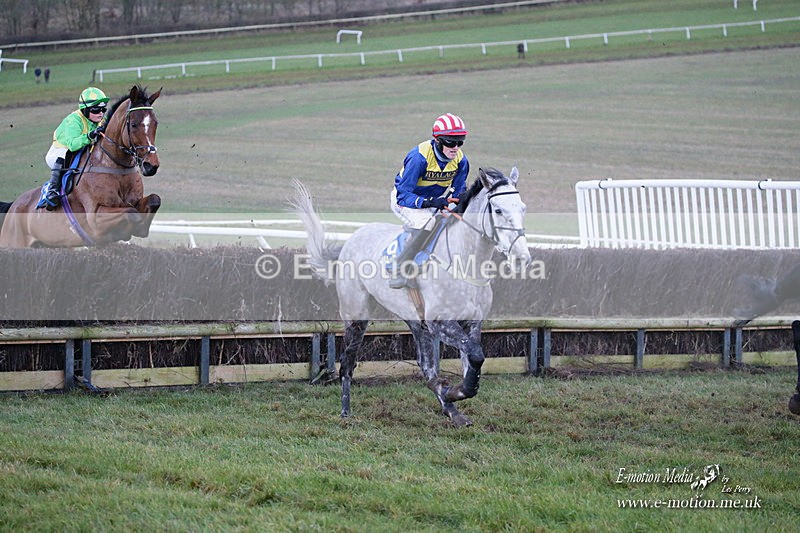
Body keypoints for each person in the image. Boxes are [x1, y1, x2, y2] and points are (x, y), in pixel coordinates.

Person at [388, 113, 470, 288]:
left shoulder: (462, 161)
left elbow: (458, 191)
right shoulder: (419, 158)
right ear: (438, 140)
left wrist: (456, 204)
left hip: (434, 202)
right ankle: (401, 268)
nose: (455, 147)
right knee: (427, 222)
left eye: (460, 141)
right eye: (450, 142)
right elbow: (403, 195)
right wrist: (431, 202)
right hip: (405, 201)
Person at [41, 87, 109, 210]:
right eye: (96, 109)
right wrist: (90, 135)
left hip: (80, 151)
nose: (101, 113)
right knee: (63, 156)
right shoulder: (73, 120)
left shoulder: (100, 120)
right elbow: (72, 145)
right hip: (61, 151)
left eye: (103, 109)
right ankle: (52, 191)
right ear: (85, 110)